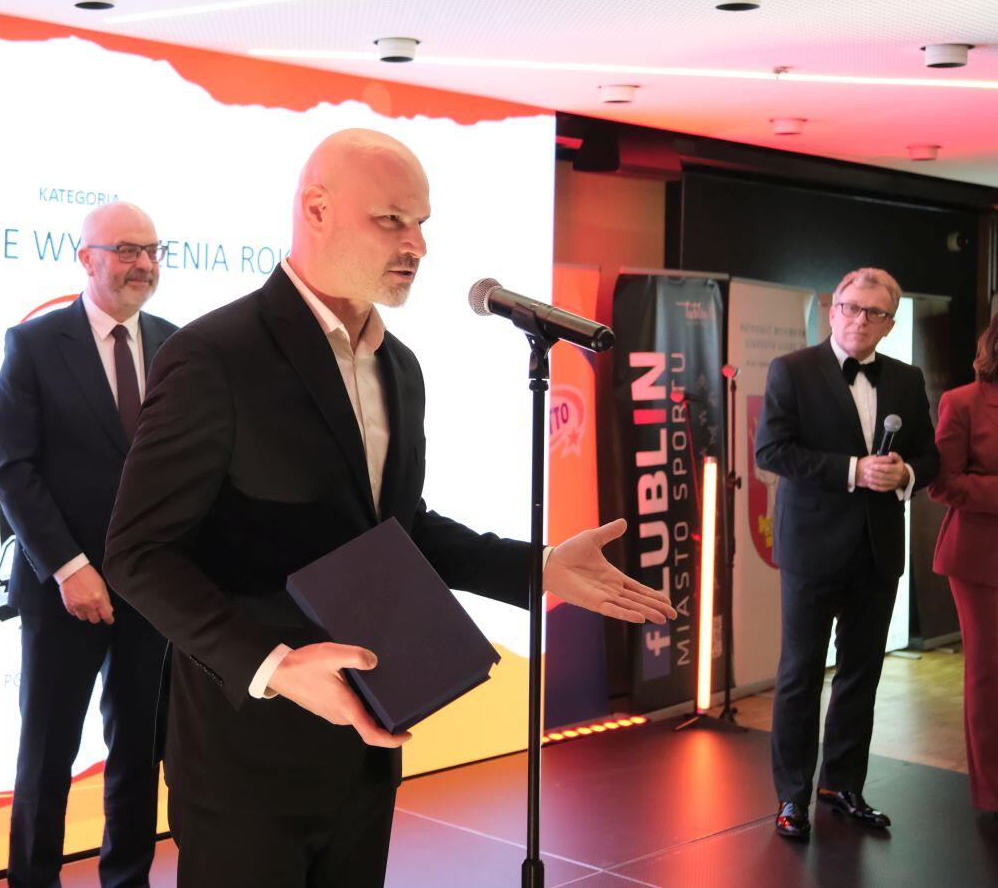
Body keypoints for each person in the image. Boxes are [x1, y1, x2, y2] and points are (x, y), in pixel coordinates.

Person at [102, 128, 674, 887]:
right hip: (247, 756)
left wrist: (536, 569)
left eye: (422, 223)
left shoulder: (399, 366)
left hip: (369, 745)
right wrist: (274, 665)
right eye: (392, 221)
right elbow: (138, 552)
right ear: (316, 209)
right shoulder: (215, 355)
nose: (417, 246)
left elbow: (401, 532)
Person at [0, 203, 178, 887]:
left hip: (152, 591)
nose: (143, 264)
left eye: (153, 250)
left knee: (139, 753)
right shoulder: (35, 345)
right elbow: (12, 468)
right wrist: (70, 568)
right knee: (47, 757)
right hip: (60, 590)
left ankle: (126, 879)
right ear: (86, 258)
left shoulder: (176, 345)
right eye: (127, 250)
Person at [754, 267, 937, 841]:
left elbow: (929, 457)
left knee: (861, 673)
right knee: (800, 674)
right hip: (811, 549)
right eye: (852, 308)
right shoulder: (792, 369)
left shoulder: (907, 377)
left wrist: (905, 473)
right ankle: (792, 795)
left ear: (890, 324)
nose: (861, 320)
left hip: (877, 551)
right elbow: (771, 451)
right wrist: (854, 470)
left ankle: (842, 784)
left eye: (875, 313)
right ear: (833, 311)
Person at [927, 311, 998, 813]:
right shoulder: (963, 401)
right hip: (981, 560)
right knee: (989, 676)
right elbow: (942, 484)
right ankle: (993, 792)